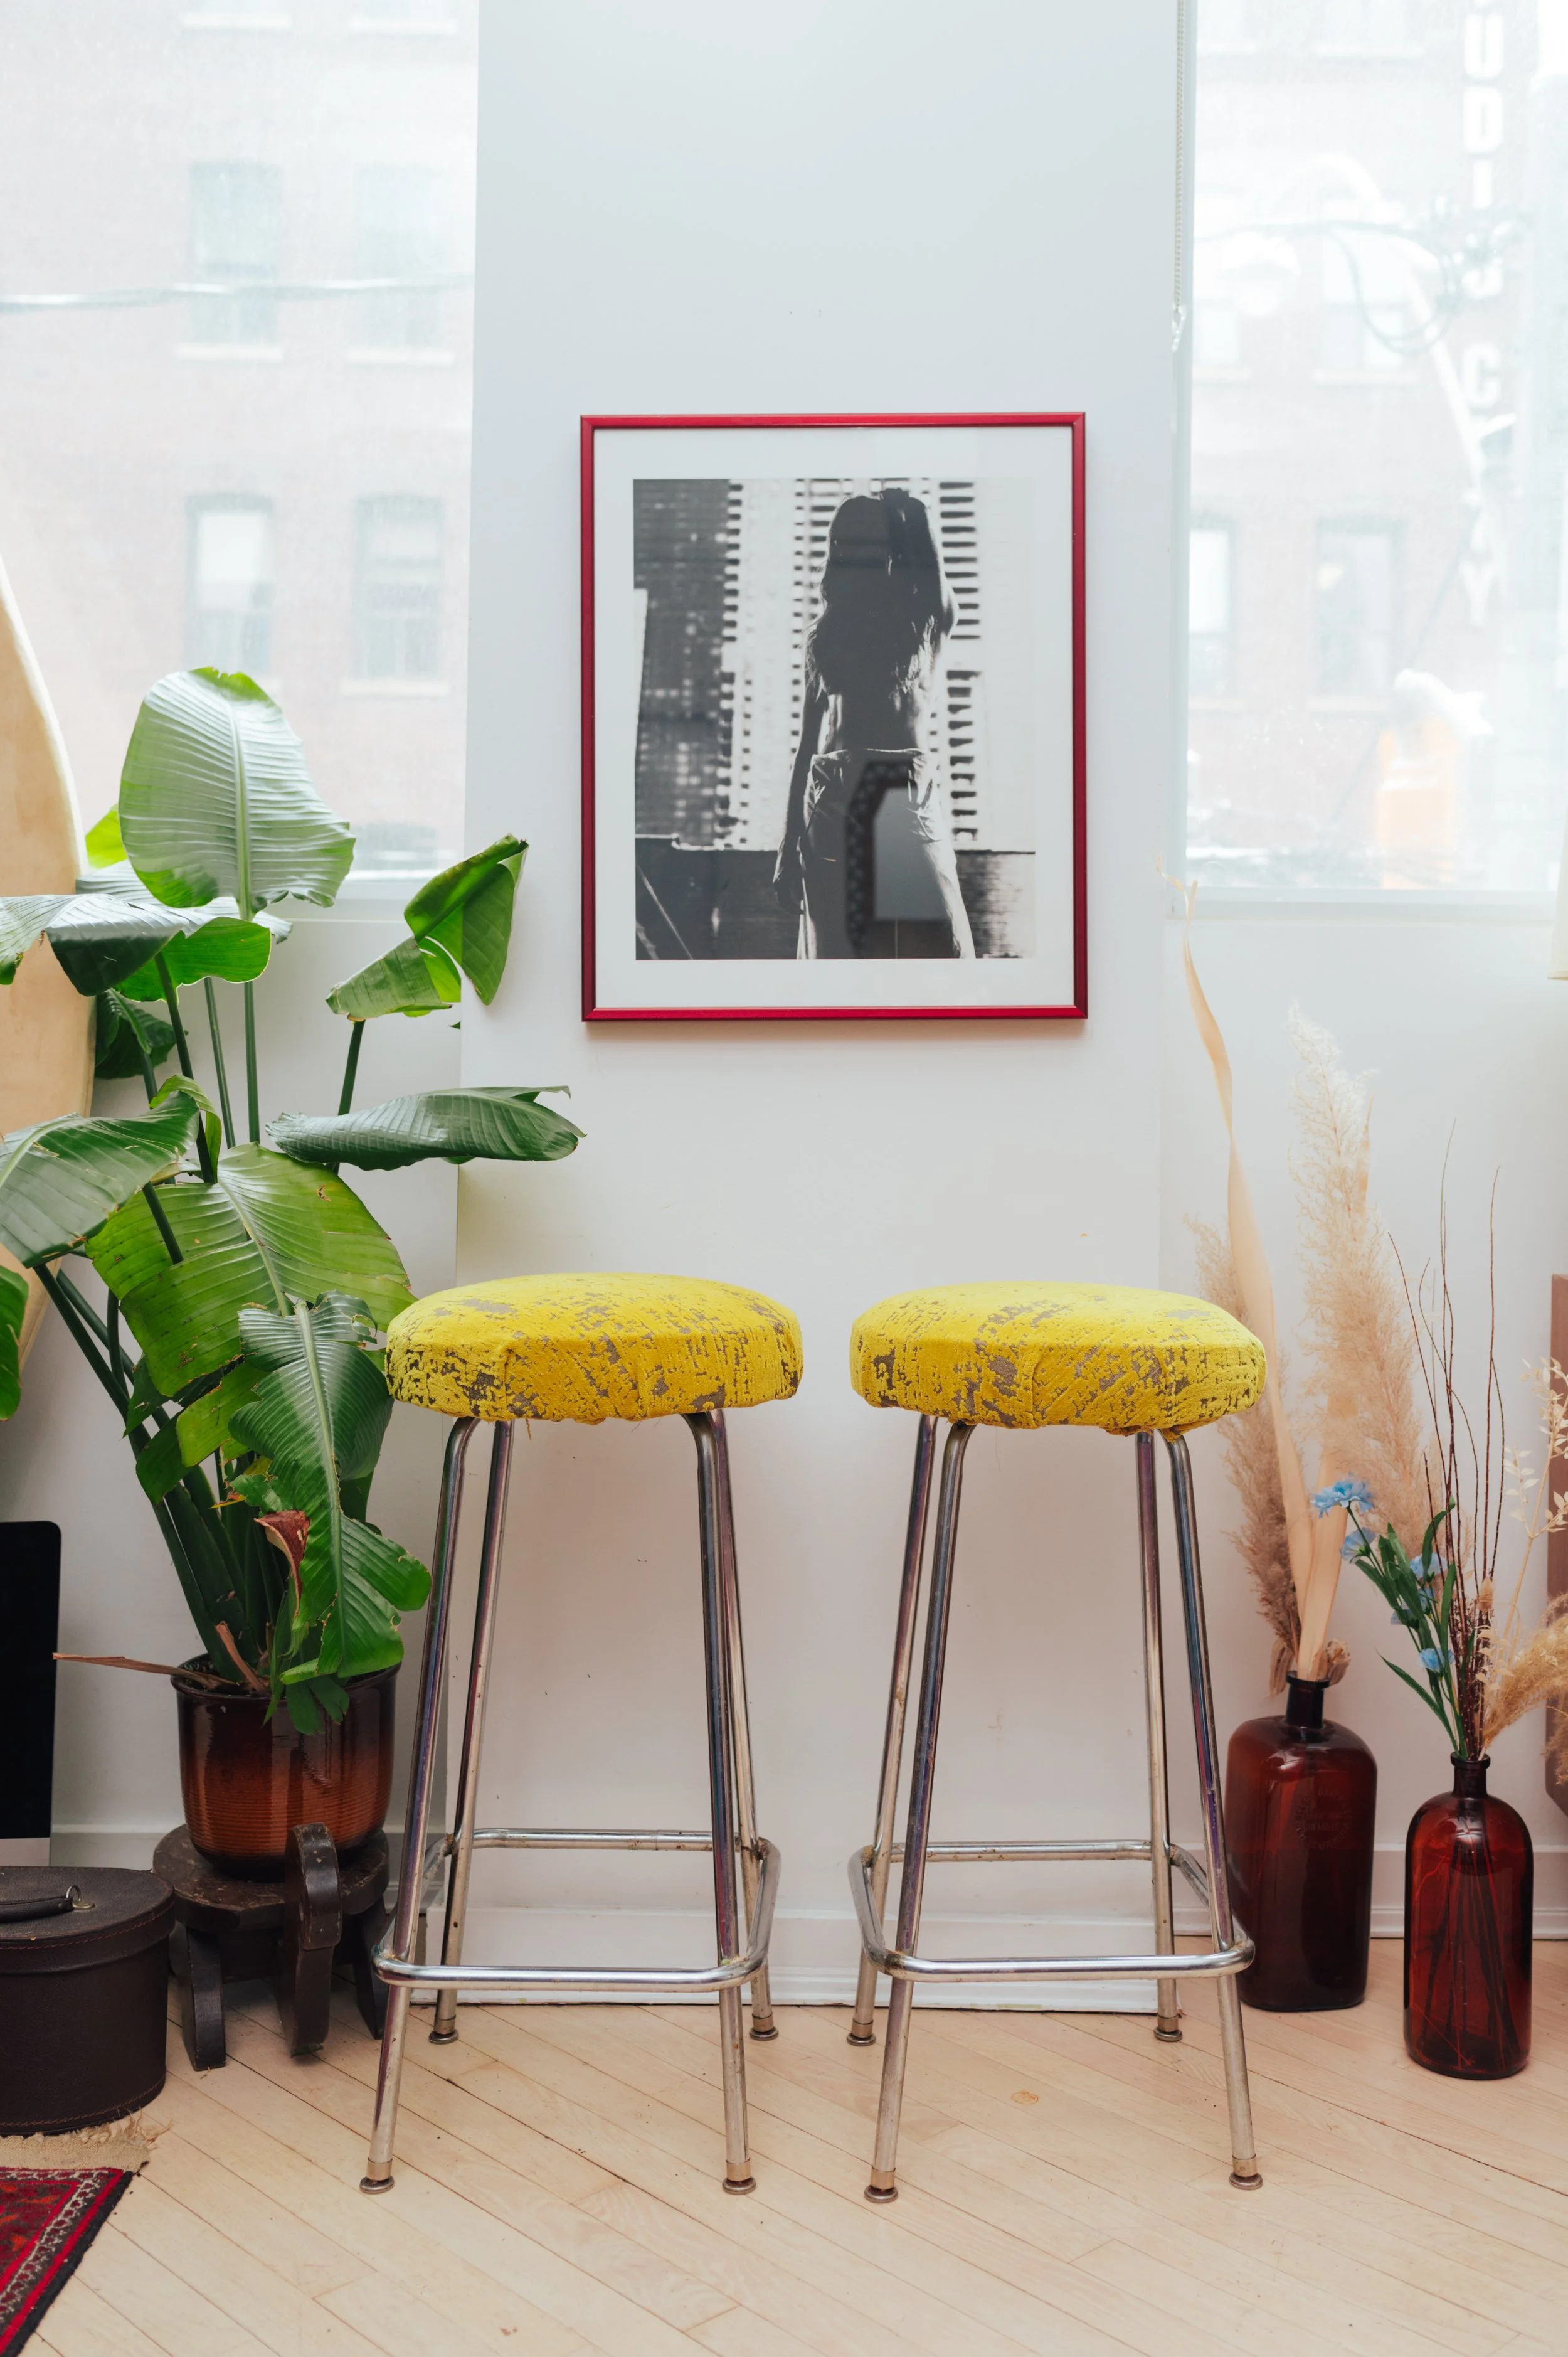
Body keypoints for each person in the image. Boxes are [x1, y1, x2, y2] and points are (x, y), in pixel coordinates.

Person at [773, 489, 975, 959]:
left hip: (905, 795)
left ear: (893, 546)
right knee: (839, 960)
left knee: (934, 953)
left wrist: (904, 504)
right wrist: (788, 846)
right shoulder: (826, 634)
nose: (858, 552)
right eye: (847, 542)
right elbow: (807, 747)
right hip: (832, 799)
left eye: (872, 540)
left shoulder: (927, 620)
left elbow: (929, 547)